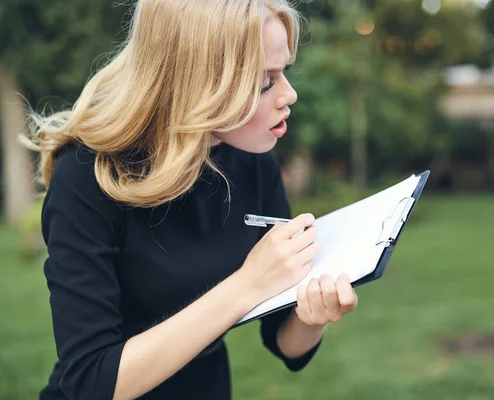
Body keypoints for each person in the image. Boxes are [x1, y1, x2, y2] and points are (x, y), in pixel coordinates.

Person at [25, 1, 359, 399]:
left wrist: (313, 314)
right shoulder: (88, 177)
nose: (290, 94)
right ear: (199, 81)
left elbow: (285, 342)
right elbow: (92, 382)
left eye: (284, 71)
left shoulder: (253, 163)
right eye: (265, 81)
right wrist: (246, 285)